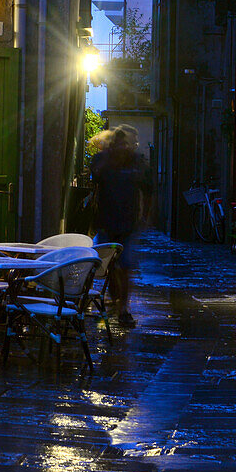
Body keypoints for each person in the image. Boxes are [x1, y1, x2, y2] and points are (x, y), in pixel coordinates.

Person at [89, 124, 152, 328]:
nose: (123, 147)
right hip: (106, 221)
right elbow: (94, 186)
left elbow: (148, 190)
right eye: (120, 143)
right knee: (108, 265)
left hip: (129, 223)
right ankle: (116, 298)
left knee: (125, 266)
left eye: (128, 143)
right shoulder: (102, 160)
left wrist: (144, 216)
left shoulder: (137, 163)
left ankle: (124, 307)